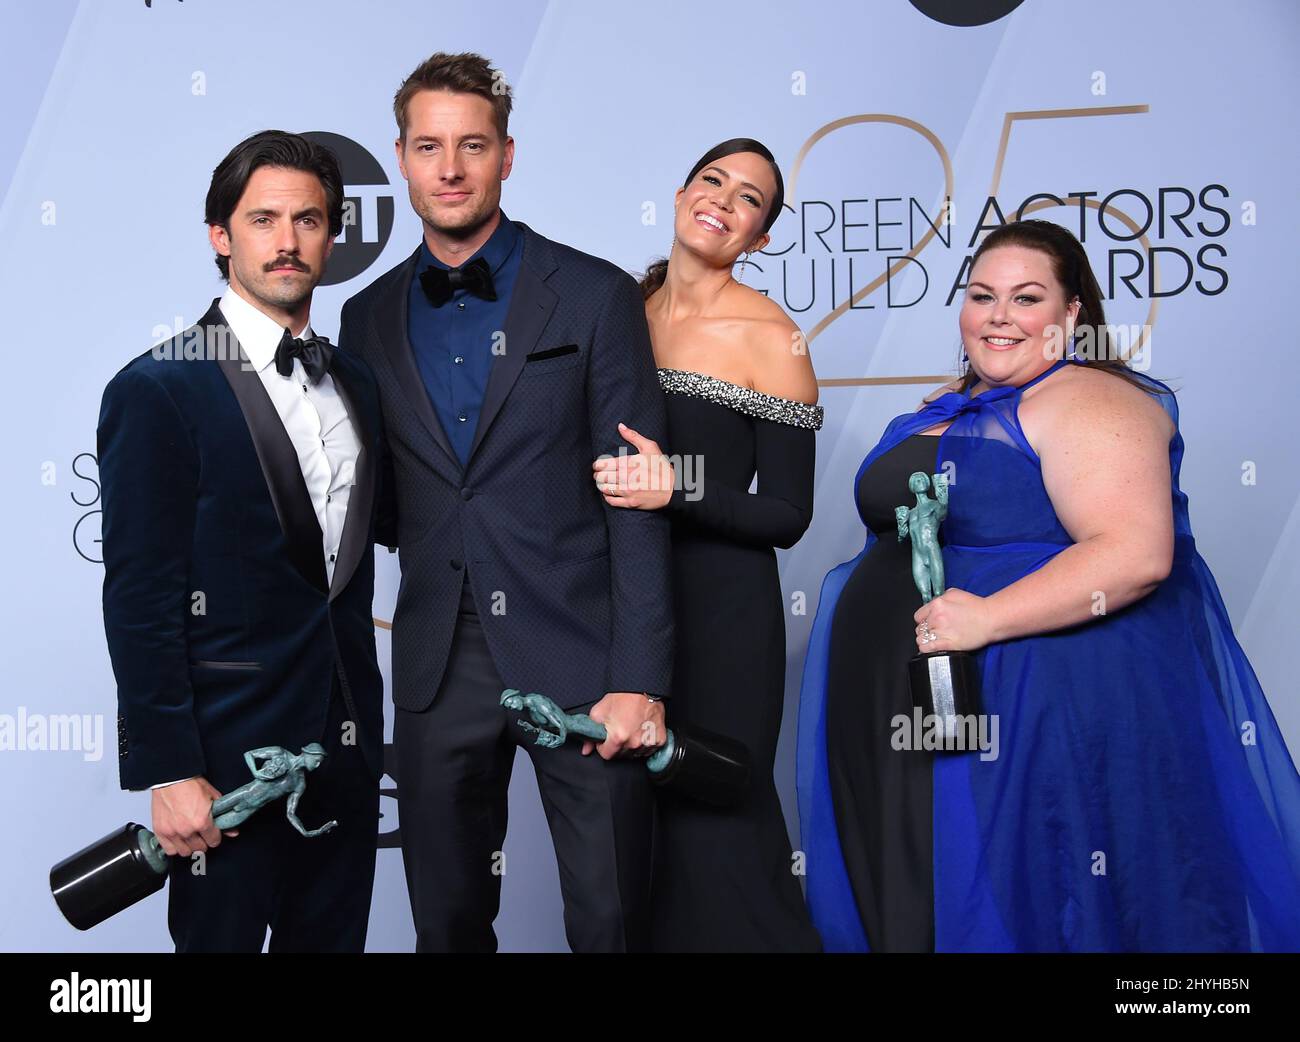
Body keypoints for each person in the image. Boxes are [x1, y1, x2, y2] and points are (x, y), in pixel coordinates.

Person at [797, 218, 1300, 952]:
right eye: (981, 295)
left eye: (1026, 298)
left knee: (1031, 893)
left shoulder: (1095, 401)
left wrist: (988, 619)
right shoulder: (953, 401)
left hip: (1027, 704)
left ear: (1071, 315)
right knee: (914, 890)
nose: (999, 315)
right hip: (909, 696)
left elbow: (1135, 555)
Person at [339, 52, 674, 952]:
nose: (450, 168)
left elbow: (637, 495)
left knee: (611, 922)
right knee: (446, 925)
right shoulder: (362, 318)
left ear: (508, 156)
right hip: (437, 657)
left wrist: (639, 677)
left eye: (472, 146)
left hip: (582, 648)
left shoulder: (595, 294)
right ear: (403, 159)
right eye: (429, 146)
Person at [98, 131, 385, 952]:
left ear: (333, 235)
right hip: (224, 768)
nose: (287, 241)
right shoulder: (158, 387)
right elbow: (139, 592)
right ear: (221, 235)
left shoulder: (355, 380)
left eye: (308, 219)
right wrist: (167, 768)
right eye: (263, 220)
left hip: (347, 748)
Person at [593, 139, 823, 952]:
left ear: (760, 237)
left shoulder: (772, 336)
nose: (725, 200)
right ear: (683, 190)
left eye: (751, 199)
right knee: (627, 828)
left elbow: (788, 513)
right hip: (617, 605)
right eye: (714, 180)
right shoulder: (616, 309)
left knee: (717, 815)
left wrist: (676, 486)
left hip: (722, 614)